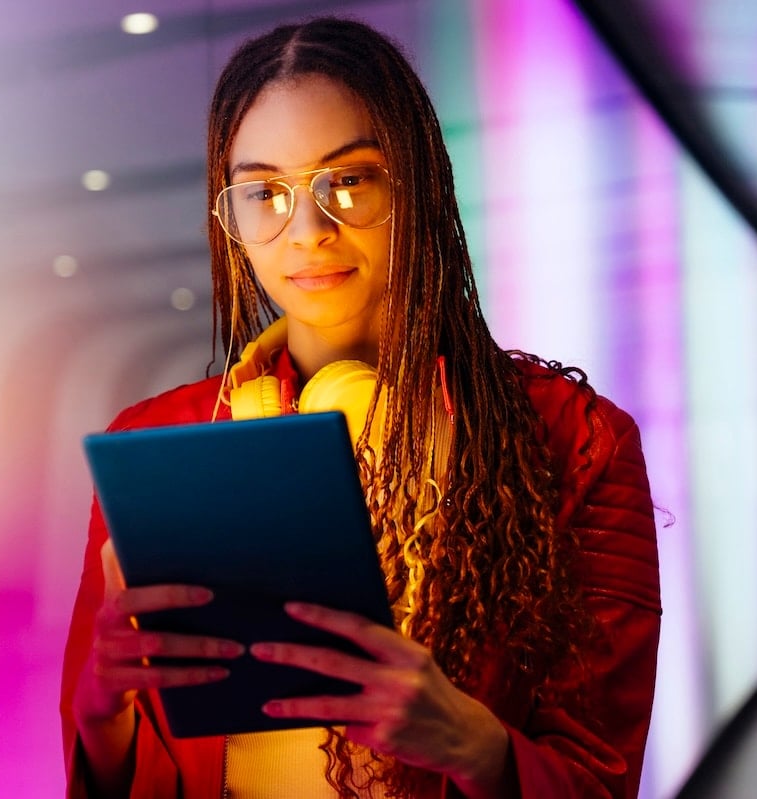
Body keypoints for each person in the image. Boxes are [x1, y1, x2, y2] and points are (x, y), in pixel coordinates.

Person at [60, 16, 660, 799]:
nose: (307, 231)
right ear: (228, 220)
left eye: (350, 180)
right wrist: (105, 716)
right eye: (264, 193)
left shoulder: (576, 441)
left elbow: (601, 779)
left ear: (416, 187)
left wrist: (480, 746)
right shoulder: (156, 443)